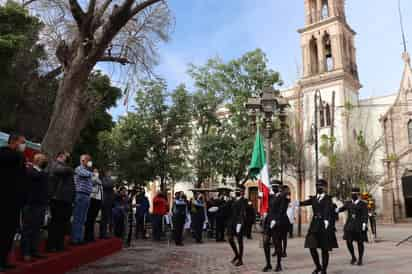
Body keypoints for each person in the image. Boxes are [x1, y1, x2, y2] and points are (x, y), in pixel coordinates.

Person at [298, 179, 338, 274]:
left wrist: (327, 220)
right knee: (311, 246)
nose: (318, 187)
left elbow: (328, 210)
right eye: (317, 186)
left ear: (324, 187)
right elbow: (304, 203)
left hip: (324, 226)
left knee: (324, 249)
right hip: (314, 226)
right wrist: (295, 203)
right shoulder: (314, 198)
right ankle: (318, 266)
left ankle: (324, 270)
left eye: (320, 186)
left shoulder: (328, 198)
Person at [0, 134, 26, 272]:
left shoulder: (18, 157)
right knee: (4, 230)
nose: (24, 145)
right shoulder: (6, 154)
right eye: (22, 142)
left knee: (9, 232)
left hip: (14, 200)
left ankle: (3, 259)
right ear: (14, 142)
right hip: (5, 199)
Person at [21, 153, 49, 262]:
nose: (45, 162)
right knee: (28, 228)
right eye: (44, 160)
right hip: (31, 204)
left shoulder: (42, 173)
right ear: (38, 161)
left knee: (37, 228)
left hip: (41, 204)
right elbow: (35, 177)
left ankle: (34, 250)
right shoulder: (30, 171)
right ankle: (26, 252)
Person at [47, 151, 74, 252]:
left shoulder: (66, 167)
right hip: (57, 198)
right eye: (67, 156)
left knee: (63, 222)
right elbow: (60, 171)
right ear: (60, 156)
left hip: (66, 199)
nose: (68, 158)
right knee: (56, 222)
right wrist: (69, 169)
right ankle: (51, 245)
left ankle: (59, 244)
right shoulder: (55, 164)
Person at [336, 187, 369, 266]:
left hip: (359, 225)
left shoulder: (363, 204)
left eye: (355, 193)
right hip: (349, 225)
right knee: (348, 241)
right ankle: (353, 257)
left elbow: (365, 214)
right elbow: (342, 208)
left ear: (358, 194)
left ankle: (360, 258)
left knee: (360, 243)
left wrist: (364, 223)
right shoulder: (348, 203)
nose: (353, 195)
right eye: (352, 193)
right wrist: (335, 209)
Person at [262, 181, 290, 272]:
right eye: (272, 186)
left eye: (275, 186)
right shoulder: (272, 196)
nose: (273, 188)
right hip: (269, 221)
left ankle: (278, 264)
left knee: (277, 243)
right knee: (265, 242)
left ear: (279, 187)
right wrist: (266, 214)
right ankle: (268, 264)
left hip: (278, 223)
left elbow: (282, 210)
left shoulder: (283, 197)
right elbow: (268, 206)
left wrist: (275, 220)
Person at [71, 154, 94, 245]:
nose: (89, 162)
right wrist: (92, 174)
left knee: (83, 218)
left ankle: (79, 238)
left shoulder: (87, 170)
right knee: (78, 217)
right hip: (80, 194)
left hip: (87, 195)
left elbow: (94, 179)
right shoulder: (79, 168)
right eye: (88, 160)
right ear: (83, 160)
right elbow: (86, 175)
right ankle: (75, 239)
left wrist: (91, 173)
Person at [227, 188, 248, 267]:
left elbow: (243, 212)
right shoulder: (233, 200)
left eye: (238, 191)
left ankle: (240, 259)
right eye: (236, 191)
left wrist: (240, 223)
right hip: (232, 222)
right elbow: (228, 208)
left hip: (239, 223)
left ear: (242, 192)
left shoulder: (244, 201)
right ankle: (236, 255)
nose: (236, 192)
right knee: (230, 238)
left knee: (240, 241)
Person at [84, 168, 103, 243]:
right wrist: (95, 176)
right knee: (89, 218)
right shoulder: (92, 178)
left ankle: (91, 236)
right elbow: (94, 182)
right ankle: (87, 236)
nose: (96, 172)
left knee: (93, 218)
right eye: (94, 171)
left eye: (97, 171)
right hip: (92, 198)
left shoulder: (99, 179)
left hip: (98, 199)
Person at [99, 170, 115, 239]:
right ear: (106, 173)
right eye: (109, 172)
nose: (110, 173)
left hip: (109, 201)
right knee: (104, 218)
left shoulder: (109, 179)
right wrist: (112, 181)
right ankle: (103, 233)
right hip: (105, 200)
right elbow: (107, 185)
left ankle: (106, 233)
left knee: (108, 218)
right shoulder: (104, 179)